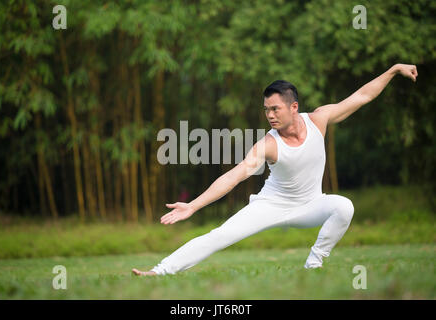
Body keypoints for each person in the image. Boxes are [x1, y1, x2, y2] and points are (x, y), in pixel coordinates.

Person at [132, 63, 418, 276]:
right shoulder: (268, 145)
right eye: (266, 110)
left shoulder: (319, 120)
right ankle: (160, 271)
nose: (269, 115)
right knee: (220, 235)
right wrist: (193, 206)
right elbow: (235, 175)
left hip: (310, 205)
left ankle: (314, 264)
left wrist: (392, 71)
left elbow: (362, 96)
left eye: (275, 109)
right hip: (270, 205)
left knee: (344, 206)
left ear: (293, 107)